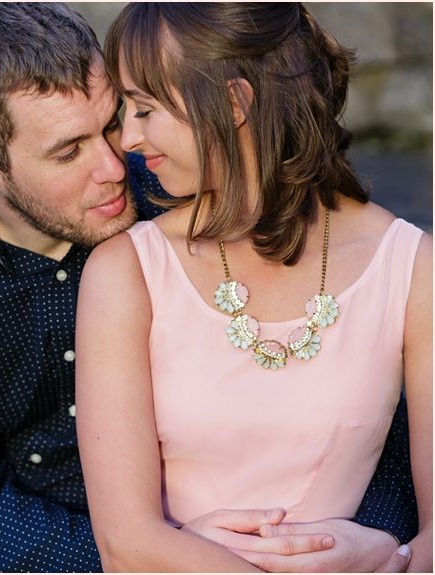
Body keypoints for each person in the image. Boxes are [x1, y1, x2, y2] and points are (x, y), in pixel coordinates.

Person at [0, 3, 418, 572]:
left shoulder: (185, 178)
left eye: (115, 120)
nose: (116, 166)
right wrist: (166, 555)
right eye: (69, 151)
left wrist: (373, 542)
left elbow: (364, 395)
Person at [75, 2, 432, 572]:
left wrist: (397, 555)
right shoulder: (125, 272)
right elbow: (126, 542)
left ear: (235, 103)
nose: (129, 138)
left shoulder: (414, 268)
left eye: (144, 109)